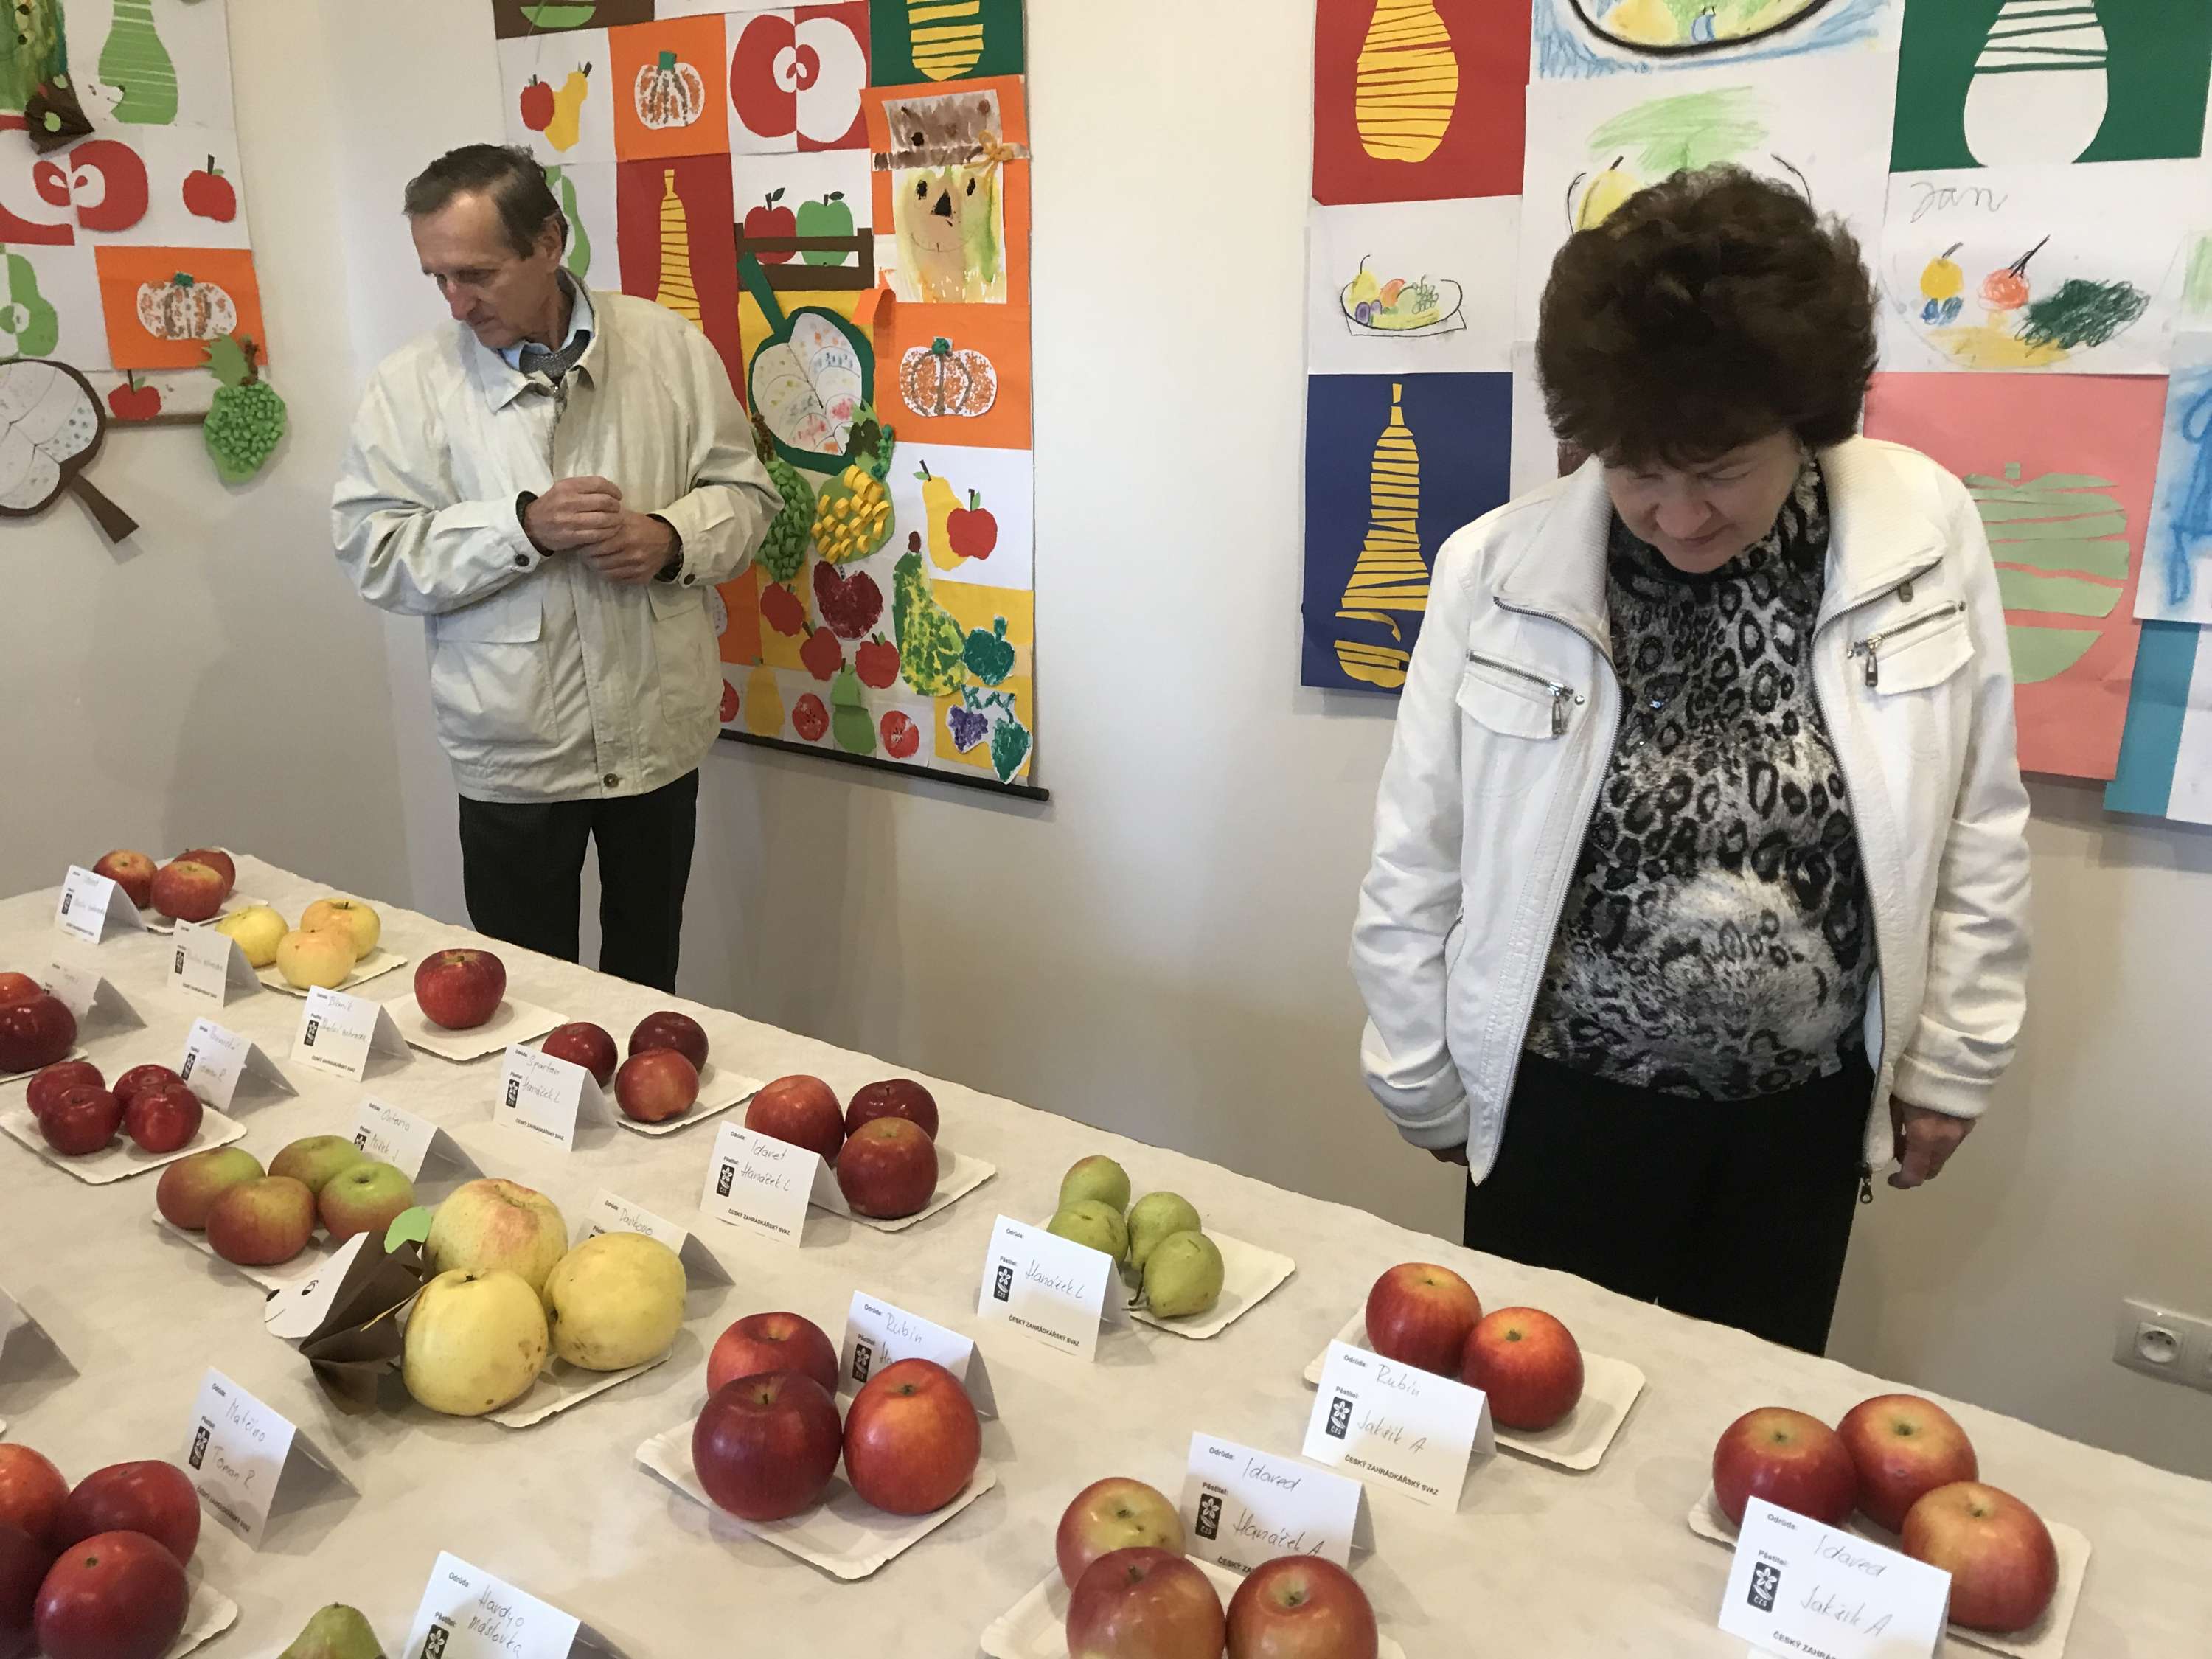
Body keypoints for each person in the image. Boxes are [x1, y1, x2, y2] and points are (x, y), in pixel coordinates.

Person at [1349, 168, 2032, 1355]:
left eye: (1719, 470)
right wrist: (1416, 1069)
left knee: (1753, 1420)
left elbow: (1978, 817)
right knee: (1539, 1418)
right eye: (1635, 469)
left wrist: (1955, 1062)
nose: (1676, 514)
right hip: (1559, 1102)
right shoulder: (1495, 573)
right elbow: (1420, 845)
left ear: (1805, 419)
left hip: (1799, 1118)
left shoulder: (1919, 538)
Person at [333, 145, 776, 993]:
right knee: (522, 1003)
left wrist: (670, 539)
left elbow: (747, 497)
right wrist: (520, 528)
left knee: (647, 991)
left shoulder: (668, 347)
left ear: (548, 241)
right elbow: (372, 551)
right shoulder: (410, 387)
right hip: (514, 754)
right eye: (438, 278)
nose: (456, 302)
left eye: (477, 274)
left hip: (655, 736)